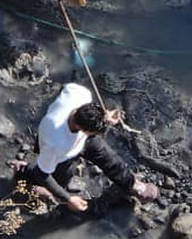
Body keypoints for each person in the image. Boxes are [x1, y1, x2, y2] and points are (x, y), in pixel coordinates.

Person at [15, 82, 158, 212]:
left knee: (110, 158)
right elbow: (43, 174)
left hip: (83, 139)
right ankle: (23, 170)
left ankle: (131, 184)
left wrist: (104, 116)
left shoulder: (81, 95)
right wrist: (68, 198)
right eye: (93, 131)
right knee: (58, 178)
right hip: (64, 154)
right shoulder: (55, 143)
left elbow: (67, 87)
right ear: (80, 127)